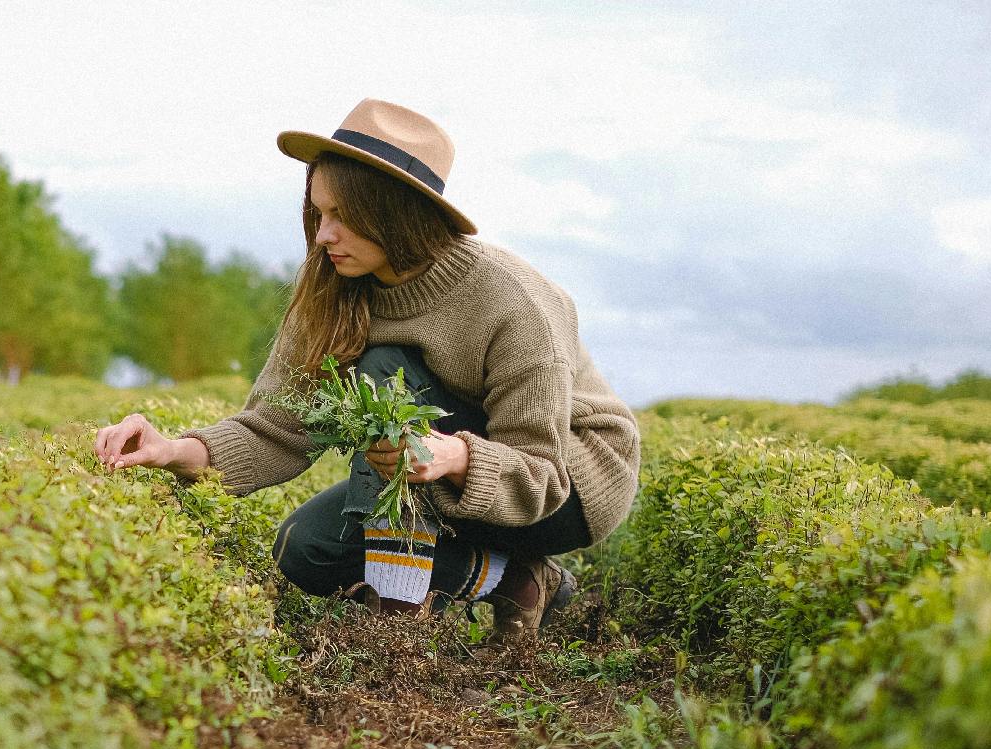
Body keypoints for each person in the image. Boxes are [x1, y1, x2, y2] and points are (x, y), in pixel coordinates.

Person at [93, 98, 640, 643]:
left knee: (383, 368)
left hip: (569, 484)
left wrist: (453, 456)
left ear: (397, 214)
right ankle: (518, 579)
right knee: (305, 548)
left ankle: (393, 630)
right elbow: (275, 428)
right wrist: (169, 450)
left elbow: (542, 475)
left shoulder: (511, 302)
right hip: (450, 473)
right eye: (319, 213)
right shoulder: (332, 287)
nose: (324, 234)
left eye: (344, 217)